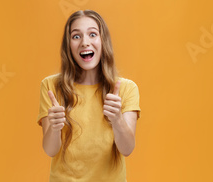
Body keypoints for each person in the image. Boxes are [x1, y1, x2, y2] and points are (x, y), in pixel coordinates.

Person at [37, 9, 141, 182]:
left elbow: (127, 149)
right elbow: (50, 150)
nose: (85, 42)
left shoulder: (126, 89)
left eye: (92, 34)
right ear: (68, 45)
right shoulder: (50, 87)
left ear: (103, 40)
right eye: (76, 36)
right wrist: (54, 128)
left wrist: (117, 119)